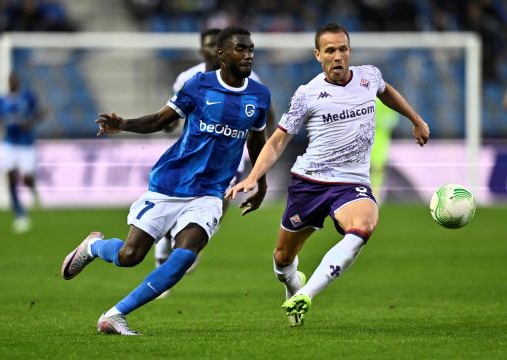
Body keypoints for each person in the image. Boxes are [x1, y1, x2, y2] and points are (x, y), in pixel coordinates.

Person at [61, 26, 270, 335]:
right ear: (222, 54)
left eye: (250, 49)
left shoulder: (259, 94)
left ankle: (115, 315)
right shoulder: (197, 85)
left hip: (210, 192)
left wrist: (259, 182)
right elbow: (161, 121)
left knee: (185, 254)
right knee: (129, 256)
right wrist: (125, 124)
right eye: (240, 49)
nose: (248, 54)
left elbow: (256, 142)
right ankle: (93, 247)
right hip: (171, 184)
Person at [226, 23, 430, 327]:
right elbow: (278, 140)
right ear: (318, 55)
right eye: (330, 50)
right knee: (282, 258)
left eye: (343, 49)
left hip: (352, 183)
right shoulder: (307, 94)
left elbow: (386, 92)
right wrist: (254, 176)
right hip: (310, 182)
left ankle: (306, 294)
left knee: (363, 226)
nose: (338, 56)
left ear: (350, 51)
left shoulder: (368, 76)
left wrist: (415, 119)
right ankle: (293, 286)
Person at [154, 28, 276, 290]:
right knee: (177, 203)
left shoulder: (250, 77)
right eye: (207, 45)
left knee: (218, 205)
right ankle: (167, 242)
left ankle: (191, 245)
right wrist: (167, 124)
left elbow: (266, 114)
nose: (211, 49)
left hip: (230, 156)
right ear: (204, 50)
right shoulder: (189, 78)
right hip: (193, 155)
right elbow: (173, 111)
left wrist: (269, 144)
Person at [0, 73, 43, 233]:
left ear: (18, 82)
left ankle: (32, 188)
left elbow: (41, 112)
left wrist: (30, 122)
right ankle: (20, 214)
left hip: (26, 144)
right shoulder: (0, 100)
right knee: (10, 177)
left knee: (27, 177)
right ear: (8, 83)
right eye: (10, 80)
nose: (12, 83)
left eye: (15, 80)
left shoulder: (27, 97)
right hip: (9, 143)